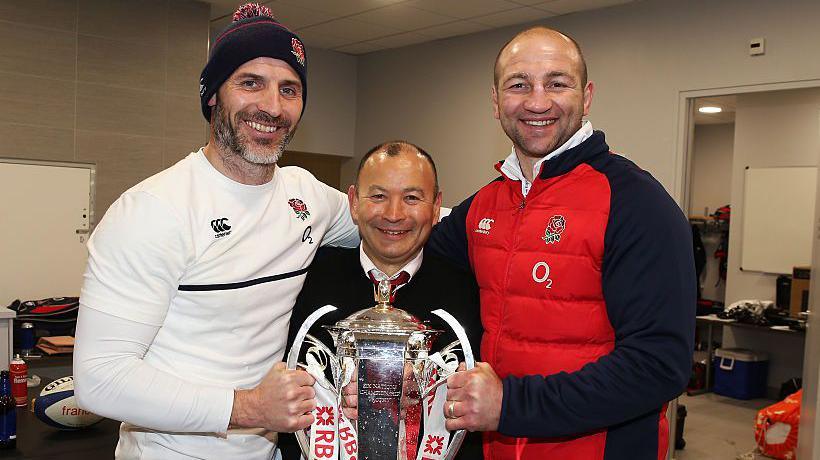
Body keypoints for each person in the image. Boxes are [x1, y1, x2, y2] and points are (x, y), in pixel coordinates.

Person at [73, 4, 358, 459]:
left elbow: (395, 222)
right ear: (212, 96)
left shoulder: (307, 195)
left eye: (290, 89)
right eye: (250, 83)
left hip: (263, 451)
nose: (271, 106)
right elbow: (100, 380)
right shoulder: (153, 210)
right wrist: (248, 408)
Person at [427, 26, 696, 459]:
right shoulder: (482, 206)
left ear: (586, 97)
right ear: (496, 101)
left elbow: (659, 365)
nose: (537, 102)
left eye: (557, 83)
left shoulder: (637, 203)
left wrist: (511, 405)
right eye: (519, 85)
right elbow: (413, 266)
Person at [281, 140, 483, 459]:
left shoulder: (473, 291)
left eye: (412, 198)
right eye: (378, 196)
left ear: (435, 207)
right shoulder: (305, 278)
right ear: (353, 203)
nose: (393, 214)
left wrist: (429, 385)